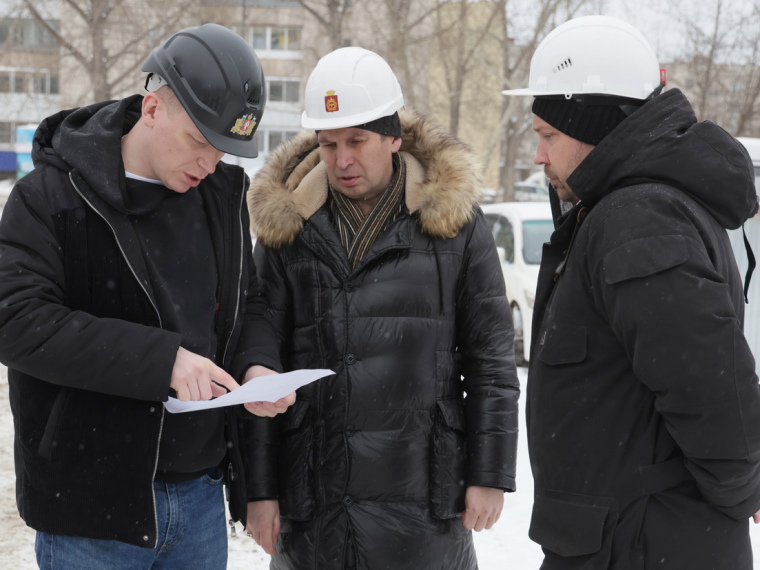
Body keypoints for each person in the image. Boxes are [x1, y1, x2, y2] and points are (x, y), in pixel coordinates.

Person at [0, 23, 294, 569]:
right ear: (153, 108)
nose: (210, 163)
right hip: (90, 508)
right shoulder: (52, 195)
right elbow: (16, 321)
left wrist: (257, 366)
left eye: (224, 150)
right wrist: (164, 361)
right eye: (200, 142)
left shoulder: (222, 197)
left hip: (200, 498)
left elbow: (245, 303)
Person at [244, 46, 520, 569]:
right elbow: (260, 364)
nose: (341, 160)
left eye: (357, 141)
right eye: (328, 144)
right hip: (317, 504)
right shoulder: (286, 229)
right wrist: (259, 490)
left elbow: (491, 360)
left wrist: (489, 474)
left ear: (393, 137)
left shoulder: (456, 225)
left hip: (423, 498)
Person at [502, 15, 760, 569]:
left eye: (549, 136)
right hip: (621, 539)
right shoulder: (624, 210)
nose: (539, 156)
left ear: (594, 127)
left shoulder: (637, 220)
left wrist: (742, 486)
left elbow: (709, 382)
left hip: (644, 544)